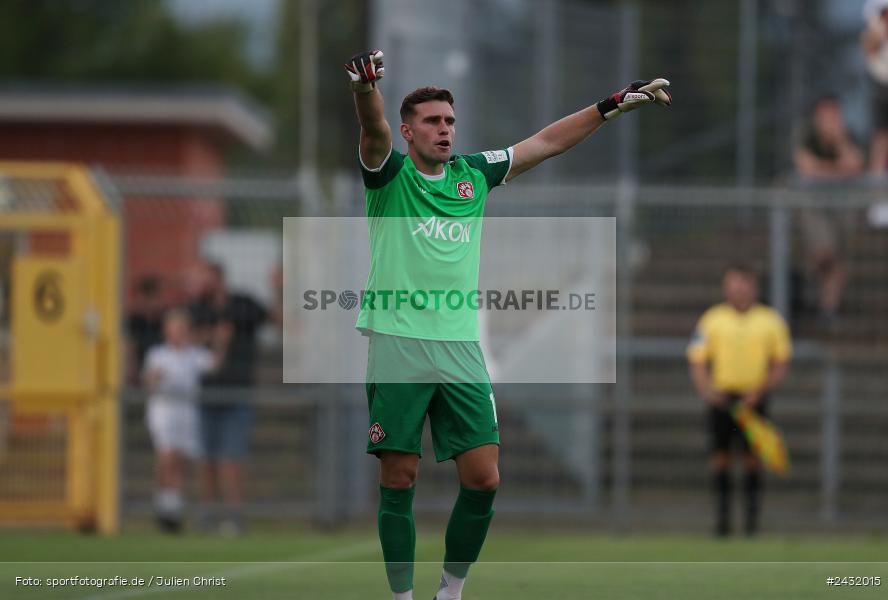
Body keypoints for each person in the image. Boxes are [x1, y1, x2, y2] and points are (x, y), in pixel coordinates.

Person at [344, 49, 670, 600]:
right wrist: (363, 88)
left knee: (484, 477)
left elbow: (545, 143)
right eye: (431, 121)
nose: (444, 129)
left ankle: (450, 591)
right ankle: (402, 598)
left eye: (449, 120)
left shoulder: (474, 174)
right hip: (399, 345)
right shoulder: (390, 175)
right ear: (408, 131)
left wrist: (608, 106)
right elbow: (371, 128)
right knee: (398, 478)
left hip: (460, 349)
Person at [687, 263, 792, 538]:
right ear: (726, 287)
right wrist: (708, 390)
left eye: (744, 283)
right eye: (733, 283)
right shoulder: (712, 319)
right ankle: (722, 525)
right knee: (720, 460)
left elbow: (780, 362)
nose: (739, 289)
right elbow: (697, 360)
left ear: (753, 286)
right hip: (722, 399)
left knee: (752, 461)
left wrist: (761, 390)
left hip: (754, 399)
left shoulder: (770, 320)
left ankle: (751, 526)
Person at [188, 261, 270, 535]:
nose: (199, 283)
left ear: (218, 278)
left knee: (232, 457)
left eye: (203, 276)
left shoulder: (243, 303)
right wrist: (215, 336)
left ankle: (235, 515)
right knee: (206, 458)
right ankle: (208, 514)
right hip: (205, 392)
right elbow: (187, 338)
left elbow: (273, 319)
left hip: (237, 391)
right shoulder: (197, 309)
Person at [143, 308, 225, 532]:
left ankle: (174, 509)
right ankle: (165, 506)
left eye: (183, 328)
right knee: (167, 457)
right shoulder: (157, 354)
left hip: (187, 412)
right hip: (164, 411)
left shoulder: (194, 354)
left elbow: (214, 365)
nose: (179, 333)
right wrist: (153, 378)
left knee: (181, 461)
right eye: (175, 328)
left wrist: (219, 341)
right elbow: (149, 381)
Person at [792, 95, 863, 321]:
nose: (831, 120)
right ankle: (807, 286)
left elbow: (855, 165)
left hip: (842, 204)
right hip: (814, 203)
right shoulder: (805, 135)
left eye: (835, 115)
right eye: (826, 115)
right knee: (824, 252)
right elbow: (806, 167)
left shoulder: (848, 135)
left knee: (840, 257)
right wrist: (837, 170)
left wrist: (839, 141)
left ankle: (828, 307)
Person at [862, 0, 888, 174]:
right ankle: (879, 193)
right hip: (883, 88)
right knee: (882, 143)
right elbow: (869, 46)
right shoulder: (874, 28)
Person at [127, 275, 166, 385]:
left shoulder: (163, 322)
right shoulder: (133, 322)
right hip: (139, 377)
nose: (157, 303)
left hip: (162, 376)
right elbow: (130, 347)